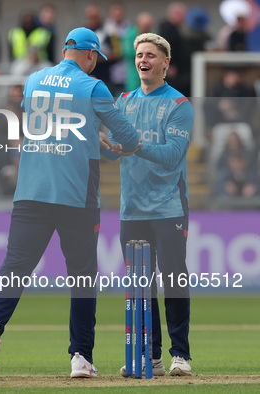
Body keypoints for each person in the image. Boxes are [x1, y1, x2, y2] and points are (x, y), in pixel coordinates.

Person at [0, 27, 142, 380]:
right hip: (76, 196)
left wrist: (94, 135)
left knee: (14, 268)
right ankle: (80, 357)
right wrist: (117, 145)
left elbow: (57, 125)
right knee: (82, 277)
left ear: (64, 51)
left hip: (30, 192)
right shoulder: (94, 87)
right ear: (91, 55)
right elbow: (129, 137)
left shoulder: (33, 80)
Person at [101, 33, 195, 377]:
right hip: (132, 209)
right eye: (139, 54)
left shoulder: (180, 105)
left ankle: (180, 354)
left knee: (174, 280)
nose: (143, 60)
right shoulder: (123, 101)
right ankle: (150, 357)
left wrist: (133, 144)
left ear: (166, 63)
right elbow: (115, 154)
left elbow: (172, 156)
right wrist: (105, 147)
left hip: (169, 206)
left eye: (151, 55)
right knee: (140, 286)